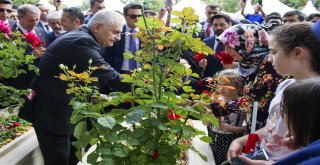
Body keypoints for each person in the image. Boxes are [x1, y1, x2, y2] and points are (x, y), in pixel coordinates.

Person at [18, 9, 131, 165]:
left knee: (71, 157)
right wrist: (150, 88)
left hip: (62, 109)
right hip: (52, 114)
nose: (118, 38)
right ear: (97, 27)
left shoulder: (83, 37)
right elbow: (111, 77)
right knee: (59, 160)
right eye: (115, 32)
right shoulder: (81, 41)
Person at [227, 22, 320, 164]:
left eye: (274, 52)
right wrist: (242, 140)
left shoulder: (314, 96)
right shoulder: (285, 85)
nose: (269, 58)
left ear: (297, 53)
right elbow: (273, 127)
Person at [218, 24, 284, 133]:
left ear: (248, 43)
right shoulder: (250, 62)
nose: (226, 51)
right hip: (254, 125)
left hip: (268, 128)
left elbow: (252, 101)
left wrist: (215, 107)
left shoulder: (268, 63)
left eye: (230, 46)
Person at [202, 69, 246, 164]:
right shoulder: (214, 99)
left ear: (237, 88)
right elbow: (204, 123)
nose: (221, 88)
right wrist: (209, 116)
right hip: (213, 138)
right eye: (219, 84)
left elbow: (249, 128)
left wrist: (233, 128)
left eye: (226, 85)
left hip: (231, 141)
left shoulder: (242, 103)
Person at [7, 4, 47, 89]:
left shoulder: (41, 31)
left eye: (37, 20)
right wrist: (31, 56)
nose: (35, 23)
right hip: (19, 83)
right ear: (19, 17)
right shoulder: (9, 34)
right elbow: (7, 61)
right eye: (31, 20)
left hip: (39, 81)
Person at [103, 3, 143, 73]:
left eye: (139, 16)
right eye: (133, 16)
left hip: (142, 74)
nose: (137, 19)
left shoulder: (147, 33)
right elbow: (108, 54)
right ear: (124, 16)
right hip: (119, 73)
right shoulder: (116, 31)